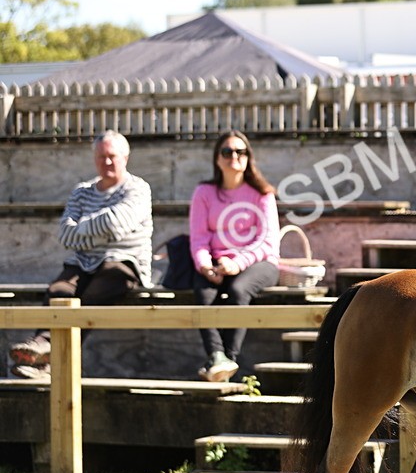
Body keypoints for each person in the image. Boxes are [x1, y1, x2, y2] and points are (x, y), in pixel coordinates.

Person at [8, 130, 153, 379]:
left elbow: (117, 224)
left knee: (94, 293)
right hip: (83, 262)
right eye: (101, 156)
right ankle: (45, 357)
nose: (107, 162)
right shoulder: (81, 191)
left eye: (112, 156)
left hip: (124, 262)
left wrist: (82, 228)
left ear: (125, 158)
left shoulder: (137, 188)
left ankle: (45, 350)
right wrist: (99, 228)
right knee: (58, 290)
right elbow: (66, 235)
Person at [188, 130, 281, 382]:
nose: (234, 157)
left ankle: (228, 358)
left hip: (259, 263)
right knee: (203, 292)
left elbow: (267, 241)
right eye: (227, 152)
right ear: (217, 159)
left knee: (239, 291)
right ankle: (216, 356)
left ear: (249, 157)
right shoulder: (204, 192)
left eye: (240, 152)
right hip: (216, 263)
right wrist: (205, 265)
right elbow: (198, 238)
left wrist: (238, 263)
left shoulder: (262, 193)